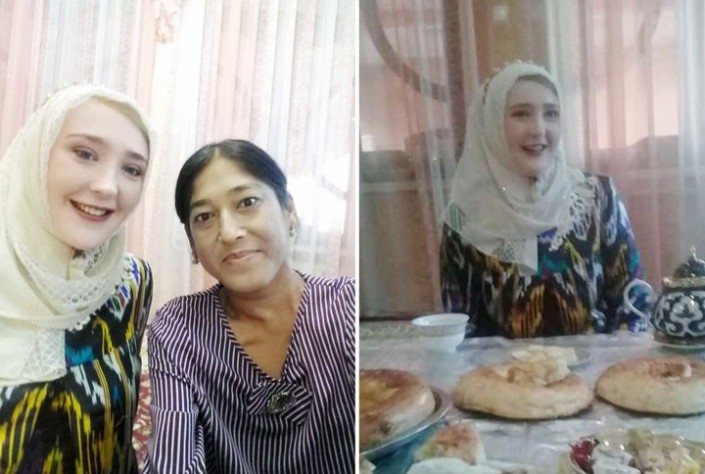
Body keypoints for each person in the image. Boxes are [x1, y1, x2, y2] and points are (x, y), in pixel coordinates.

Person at [146, 139, 355, 473]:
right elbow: (173, 461)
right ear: (192, 243)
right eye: (204, 217)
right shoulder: (179, 329)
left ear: (289, 211)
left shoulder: (346, 307)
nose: (229, 232)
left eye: (247, 202)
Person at [0, 84, 154, 472]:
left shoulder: (131, 283)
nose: (107, 186)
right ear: (37, 152)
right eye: (85, 154)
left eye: (132, 169)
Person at [440, 61, 649, 338]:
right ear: (490, 123)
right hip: (504, 366)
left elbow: (634, 299)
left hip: (596, 363)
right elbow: (460, 329)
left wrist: (619, 354)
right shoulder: (464, 216)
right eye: (521, 114)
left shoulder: (597, 196)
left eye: (551, 114)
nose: (539, 129)